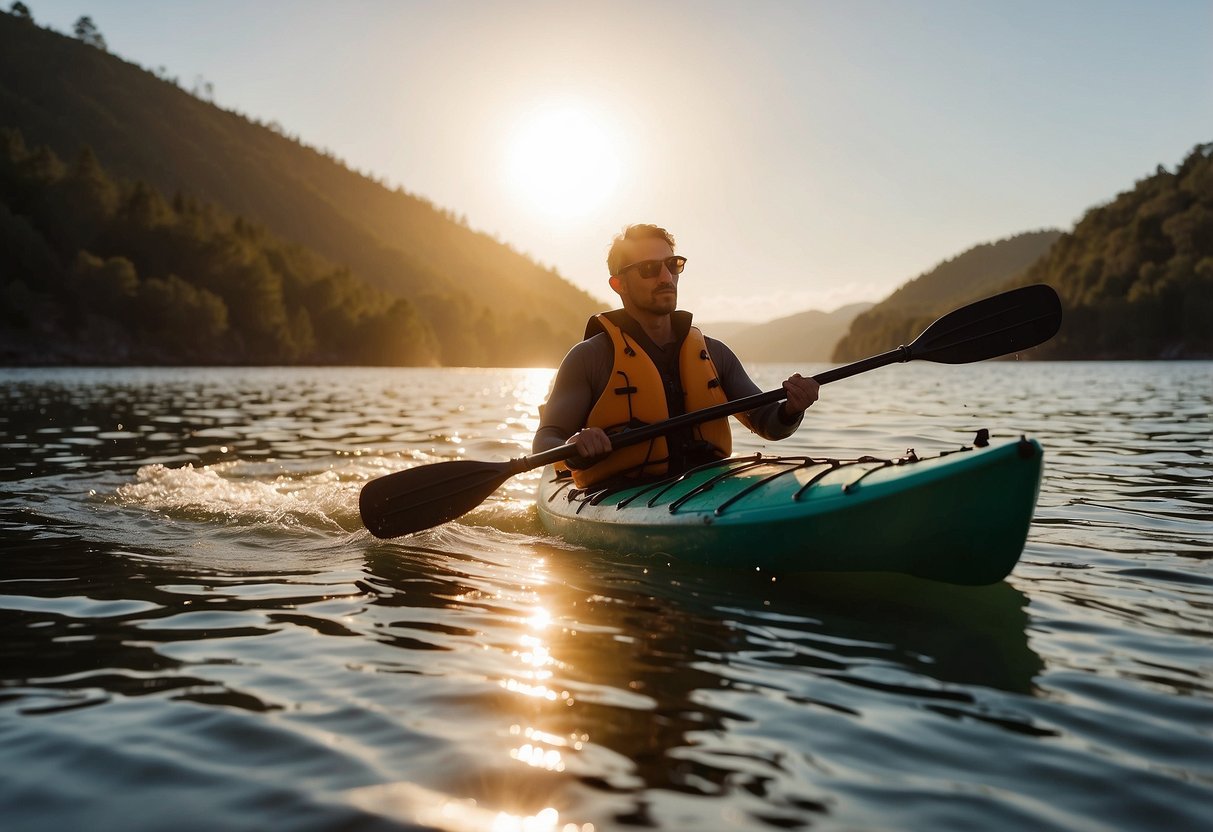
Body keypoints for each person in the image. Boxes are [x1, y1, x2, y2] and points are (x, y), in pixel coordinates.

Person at [533, 224, 819, 489]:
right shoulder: (589, 358)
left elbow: (767, 423)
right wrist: (574, 447)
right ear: (619, 284)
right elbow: (545, 441)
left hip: (706, 487)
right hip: (617, 492)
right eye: (648, 268)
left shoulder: (715, 353)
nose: (666, 277)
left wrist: (792, 409)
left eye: (673, 265)